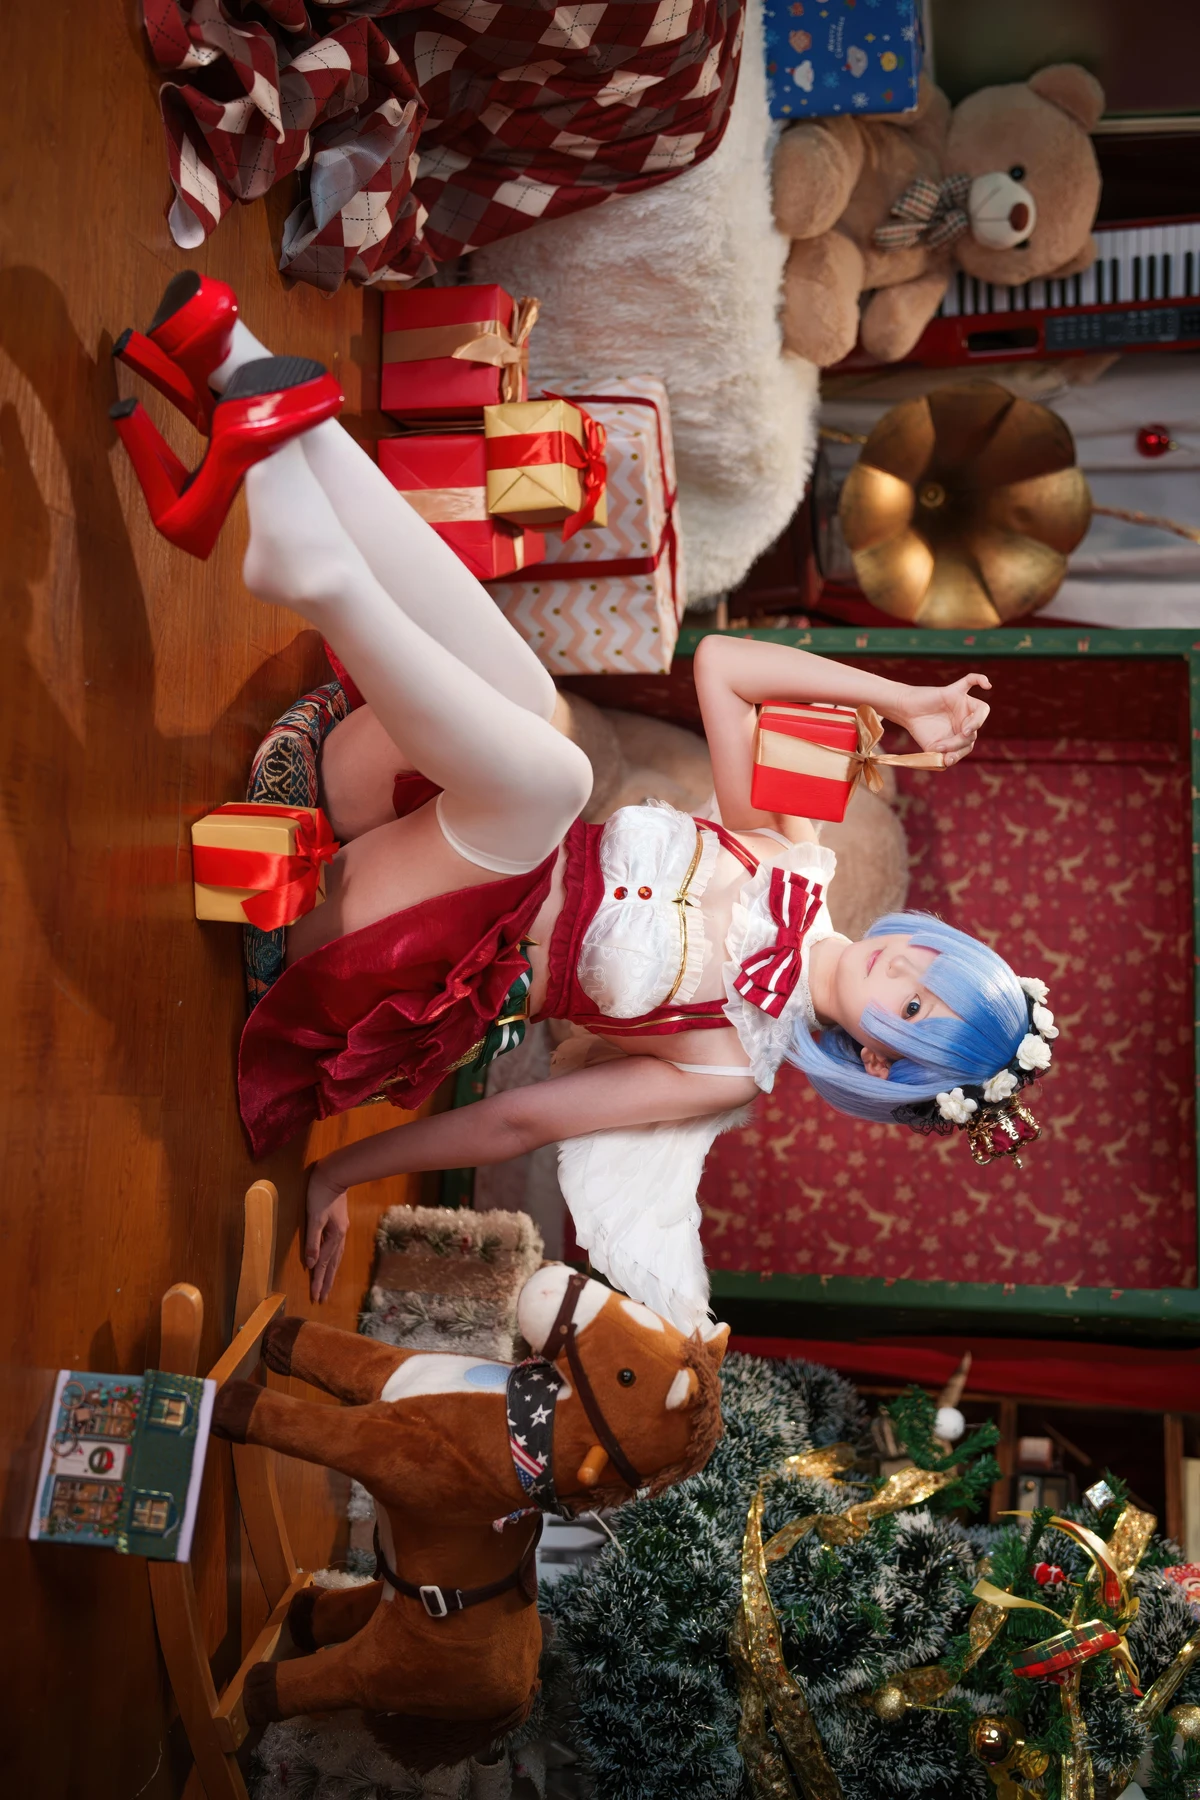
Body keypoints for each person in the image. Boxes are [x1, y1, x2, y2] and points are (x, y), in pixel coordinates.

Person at [113, 277, 1058, 1331]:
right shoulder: (795, 853)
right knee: (531, 705)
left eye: (916, 1013)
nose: (907, 975)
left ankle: (303, 542)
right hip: (394, 794)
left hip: (381, 937)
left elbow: (517, 1122)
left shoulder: (724, 1070)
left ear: (879, 1064)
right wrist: (906, 698)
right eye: (936, 965)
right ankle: (248, 377)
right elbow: (728, 665)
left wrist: (337, 1173)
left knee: (557, 774)